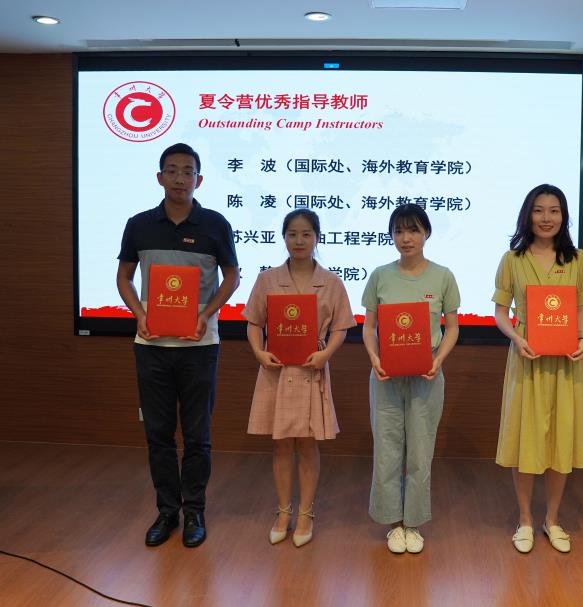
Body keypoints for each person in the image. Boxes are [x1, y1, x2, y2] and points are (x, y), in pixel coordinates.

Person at [116, 142, 240, 548]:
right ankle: (167, 511)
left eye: (188, 171)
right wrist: (139, 313)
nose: (180, 178)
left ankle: (194, 512)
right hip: (151, 344)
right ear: (159, 177)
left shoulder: (215, 224)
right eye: (172, 170)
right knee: (158, 434)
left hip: (199, 345)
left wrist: (207, 314)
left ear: (199, 180)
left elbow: (232, 277)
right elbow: (124, 278)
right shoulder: (139, 224)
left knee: (197, 435)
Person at [243, 209, 355, 547]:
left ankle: (305, 513)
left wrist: (326, 353)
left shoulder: (331, 282)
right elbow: (253, 322)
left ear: (317, 237)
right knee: (280, 444)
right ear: (284, 237)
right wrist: (258, 351)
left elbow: (341, 327)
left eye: (306, 234)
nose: (299, 240)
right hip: (276, 370)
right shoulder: (267, 279)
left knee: (307, 444)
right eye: (292, 234)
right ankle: (283, 512)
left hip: (310, 369)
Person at [493, 184, 583, 554]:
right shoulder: (513, 259)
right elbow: (500, 312)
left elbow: (582, 309)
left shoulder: (577, 259)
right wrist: (516, 338)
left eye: (554, 210)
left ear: (564, 216)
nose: (546, 218)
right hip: (527, 358)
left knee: (560, 439)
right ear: (528, 215)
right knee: (526, 437)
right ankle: (525, 520)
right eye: (539, 210)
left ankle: (552, 520)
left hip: (566, 364)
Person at [361, 204, 460, 554]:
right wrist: (374, 358)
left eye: (414, 230)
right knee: (387, 449)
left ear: (426, 233)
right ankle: (393, 524)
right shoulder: (380, 276)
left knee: (420, 450)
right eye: (399, 231)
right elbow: (369, 327)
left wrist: (439, 359)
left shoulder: (443, 276)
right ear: (391, 235)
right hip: (386, 375)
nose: (406, 238)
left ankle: (414, 522)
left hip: (427, 375)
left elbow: (452, 327)